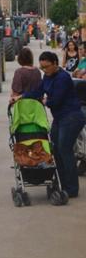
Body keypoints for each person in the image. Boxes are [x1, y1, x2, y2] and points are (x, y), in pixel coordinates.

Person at [14, 51, 85, 198]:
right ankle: (62, 183)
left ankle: (71, 189)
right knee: (55, 150)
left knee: (65, 151)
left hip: (71, 117)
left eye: (46, 67)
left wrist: (46, 101)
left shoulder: (63, 78)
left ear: (55, 64)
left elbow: (56, 100)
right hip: (60, 118)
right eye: (42, 67)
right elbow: (37, 91)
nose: (44, 70)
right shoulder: (47, 76)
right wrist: (21, 97)